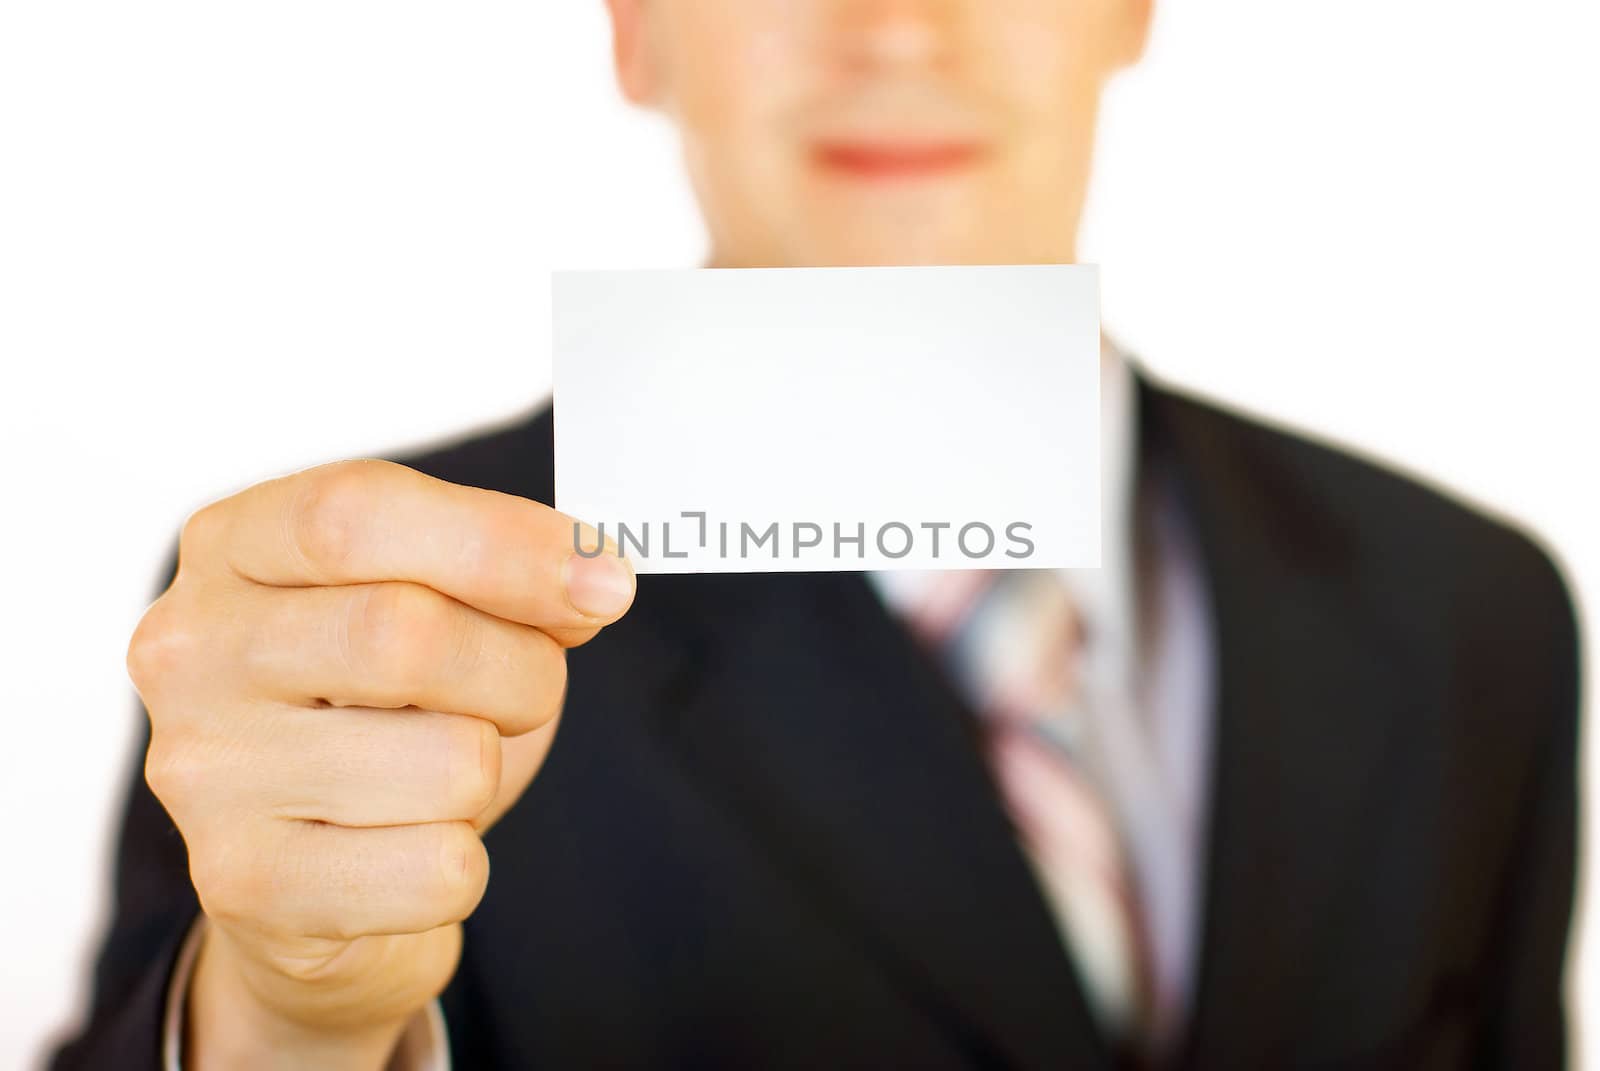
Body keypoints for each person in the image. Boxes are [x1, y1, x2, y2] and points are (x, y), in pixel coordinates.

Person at [53, 1, 1582, 1068]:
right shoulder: (357, 642)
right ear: (635, 25)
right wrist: (280, 1027)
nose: (898, 29)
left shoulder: (1470, 616)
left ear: (1132, 4)